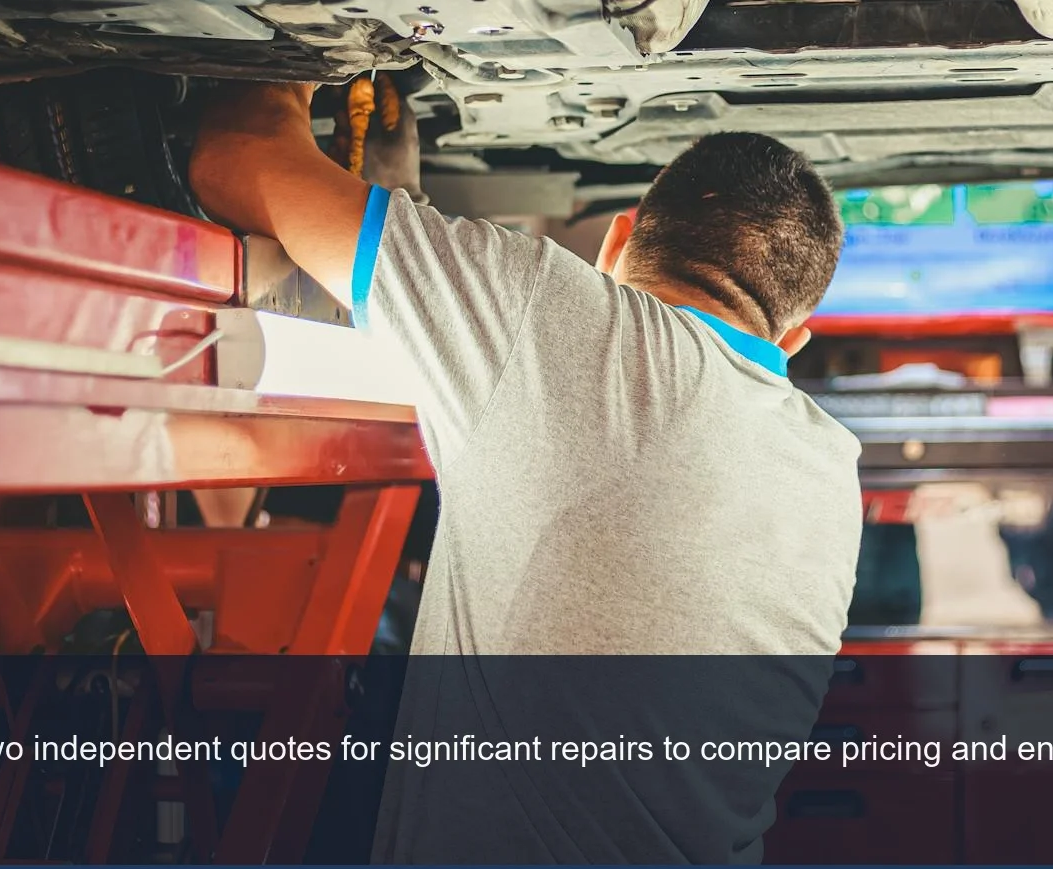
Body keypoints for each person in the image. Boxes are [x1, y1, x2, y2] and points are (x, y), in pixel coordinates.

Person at [187, 81, 862, 862]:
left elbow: (234, 158)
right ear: (794, 341)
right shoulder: (828, 469)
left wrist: (293, 62)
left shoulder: (559, 318)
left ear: (615, 243)